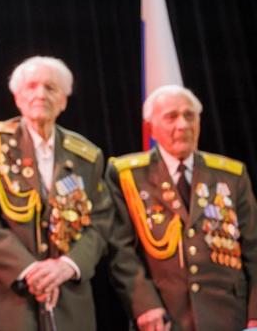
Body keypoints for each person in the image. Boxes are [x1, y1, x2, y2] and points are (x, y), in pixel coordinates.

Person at [0, 56, 112, 331]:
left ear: (64, 100)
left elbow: (101, 221)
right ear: (18, 97)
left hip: (69, 304)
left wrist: (67, 265)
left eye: (50, 88)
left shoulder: (87, 155)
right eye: (31, 86)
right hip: (8, 303)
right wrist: (29, 270)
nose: (40, 94)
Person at [106, 85, 257, 331]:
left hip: (229, 315)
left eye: (189, 115)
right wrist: (144, 305)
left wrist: (255, 314)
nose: (183, 125)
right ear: (150, 127)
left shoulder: (231, 174)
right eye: (171, 117)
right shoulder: (127, 175)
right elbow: (120, 249)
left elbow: (253, 247)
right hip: (164, 317)